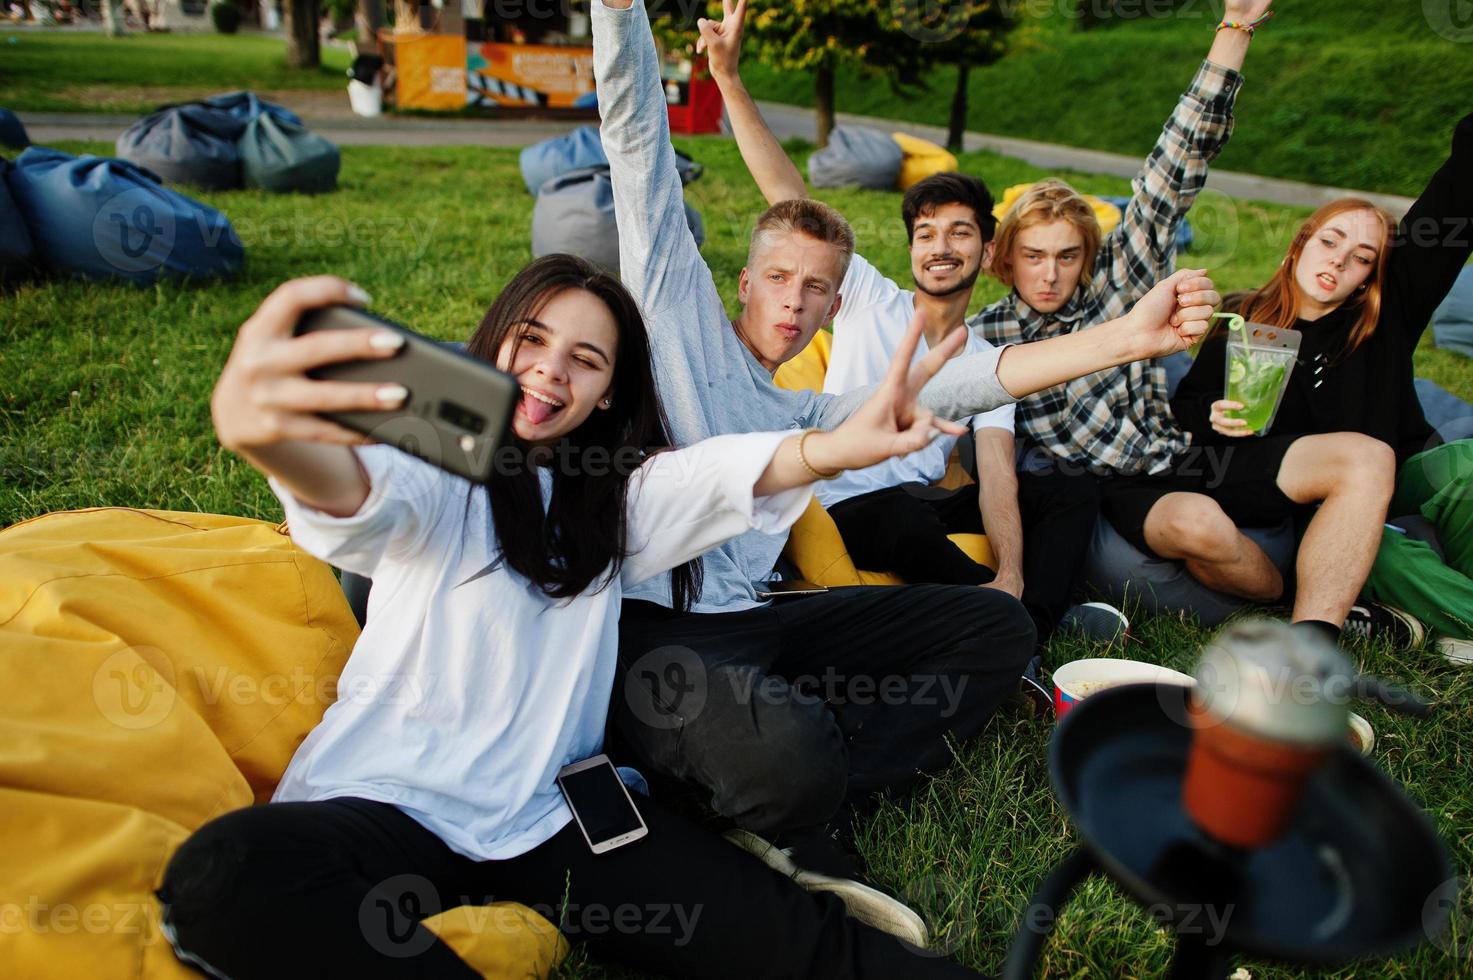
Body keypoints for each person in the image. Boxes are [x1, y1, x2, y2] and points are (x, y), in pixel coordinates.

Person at [154, 256, 999, 978]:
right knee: (229, 871)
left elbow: (709, 477)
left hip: (552, 820)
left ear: (605, 397)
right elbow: (352, 496)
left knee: (801, 943)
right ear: (491, 348)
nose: (552, 371)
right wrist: (266, 437)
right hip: (391, 802)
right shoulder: (436, 473)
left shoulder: (616, 501)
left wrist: (832, 448)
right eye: (531, 342)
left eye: (585, 360)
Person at [594, 0, 1218, 938]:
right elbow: (636, 142)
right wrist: (617, 12)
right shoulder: (675, 316)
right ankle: (791, 786)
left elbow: (972, 384)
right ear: (741, 279)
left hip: (763, 623)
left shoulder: (806, 411)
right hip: (658, 631)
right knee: (787, 753)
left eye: (815, 289)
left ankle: (795, 770)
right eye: (777, 278)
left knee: (995, 625)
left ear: (834, 303)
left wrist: (1123, 336)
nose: (792, 302)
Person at [699, 0, 1123, 646]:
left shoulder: (982, 351)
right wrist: (729, 78)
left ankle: (1021, 625)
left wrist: (1009, 569)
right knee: (900, 518)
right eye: (925, 234)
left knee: (1066, 487)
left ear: (985, 253)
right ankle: (1008, 627)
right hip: (844, 499)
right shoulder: (871, 297)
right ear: (911, 250)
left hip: (921, 500)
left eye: (959, 233)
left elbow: (997, 472)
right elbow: (788, 198)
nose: (940, 247)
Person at [970, 2, 1396, 637]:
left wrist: (1236, 29)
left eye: (1068, 255)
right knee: (1199, 525)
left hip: (1186, 451)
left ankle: (1318, 638)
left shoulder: (1118, 281)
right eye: (1033, 257)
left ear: (1089, 254)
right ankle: (1286, 604)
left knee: (1367, 458)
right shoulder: (988, 336)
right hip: (1119, 488)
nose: (1052, 274)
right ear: (1003, 258)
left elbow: (1172, 168)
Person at [1170, 111, 1473, 653]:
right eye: (1331, 241)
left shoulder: (1382, 321)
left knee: (1465, 464)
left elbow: (1454, 204)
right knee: (1382, 553)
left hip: (1387, 475)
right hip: (1291, 491)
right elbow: (1188, 404)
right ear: (1300, 244)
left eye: (1362, 258)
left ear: (1369, 278)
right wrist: (1212, 412)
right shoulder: (1245, 317)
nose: (1340, 260)